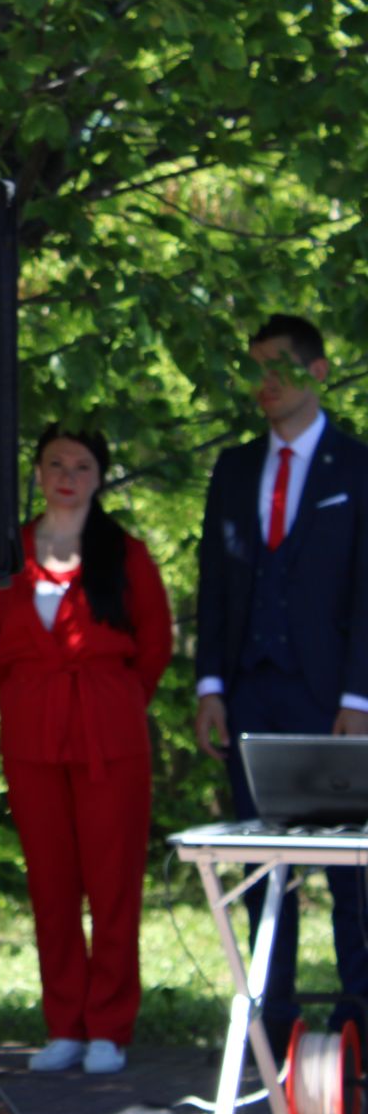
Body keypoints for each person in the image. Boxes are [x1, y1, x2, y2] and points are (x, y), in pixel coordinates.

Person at [195, 313, 368, 1055]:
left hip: (330, 700)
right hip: (249, 693)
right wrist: (208, 685)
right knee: (266, 870)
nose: (267, 381)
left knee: (351, 878)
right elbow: (214, 584)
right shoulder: (235, 468)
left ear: (319, 371)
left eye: (282, 366)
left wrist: (359, 699)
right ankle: (273, 1038)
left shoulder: (357, 466)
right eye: (258, 365)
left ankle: (357, 1031)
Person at [0, 427, 172, 1075]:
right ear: (36, 473)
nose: (67, 475)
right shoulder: (9, 555)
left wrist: (113, 704)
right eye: (55, 463)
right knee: (52, 886)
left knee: (113, 886)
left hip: (108, 740)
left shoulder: (127, 554)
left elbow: (154, 646)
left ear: (98, 477)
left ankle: (110, 1028)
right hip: (34, 739)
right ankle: (65, 1023)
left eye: (82, 465)